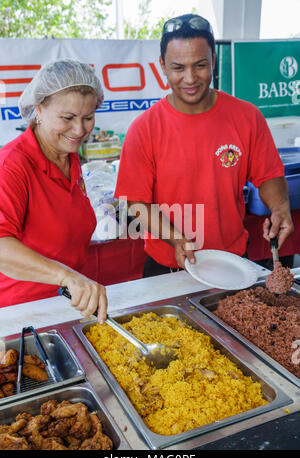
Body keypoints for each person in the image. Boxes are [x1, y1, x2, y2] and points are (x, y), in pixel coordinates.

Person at [114, 13, 294, 277]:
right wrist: (176, 238)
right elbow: (135, 201)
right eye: (178, 68)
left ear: (214, 61)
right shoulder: (145, 128)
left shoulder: (247, 117)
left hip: (232, 261)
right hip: (169, 266)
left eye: (200, 65)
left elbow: (269, 175)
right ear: (163, 66)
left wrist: (280, 208)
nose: (190, 78)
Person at [0, 59, 107, 323]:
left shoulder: (68, 156)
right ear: (39, 109)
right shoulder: (12, 165)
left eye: (88, 118)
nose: (80, 130)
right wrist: (66, 276)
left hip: (66, 307)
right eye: (67, 118)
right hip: (23, 316)